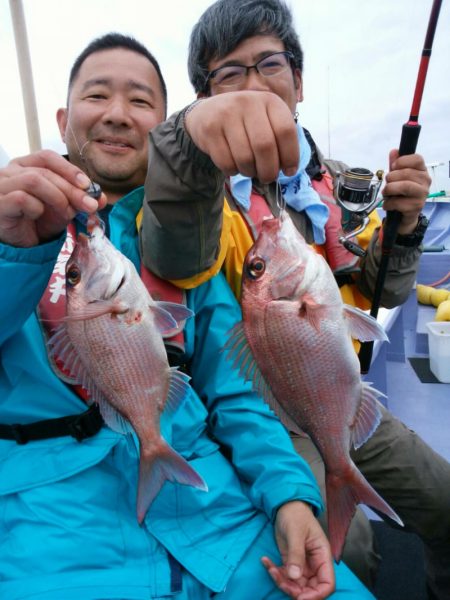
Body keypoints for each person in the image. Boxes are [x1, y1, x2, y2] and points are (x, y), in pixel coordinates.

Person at [0, 33, 374, 600]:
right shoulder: (11, 222)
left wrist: (290, 495)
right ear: (63, 118)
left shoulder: (183, 248)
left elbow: (237, 392)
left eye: (142, 101)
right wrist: (14, 257)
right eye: (97, 95)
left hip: (214, 515)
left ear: (162, 131)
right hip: (55, 530)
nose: (119, 115)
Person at [139, 1, 450, 597]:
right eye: (227, 76)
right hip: (265, 415)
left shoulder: (327, 182)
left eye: (268, 65)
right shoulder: (194, 193)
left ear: (299, 80)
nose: (252, 86)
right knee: (349, 549)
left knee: (444, 496)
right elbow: (175, 250)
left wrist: (404, 226)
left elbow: (380, 288)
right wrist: (186, 142)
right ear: (205, 99)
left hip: (341, 392)